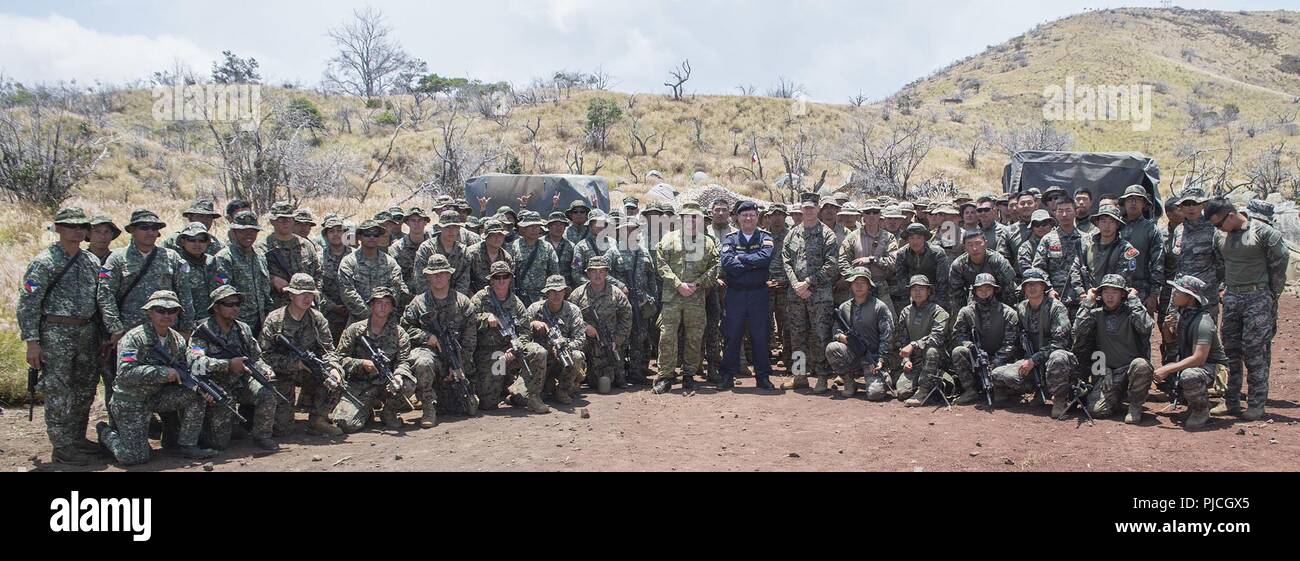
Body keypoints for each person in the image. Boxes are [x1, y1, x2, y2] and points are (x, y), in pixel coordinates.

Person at [19, 207, 125, 464]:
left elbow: (101, 300)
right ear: (58, 228)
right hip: (56, 334)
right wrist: (32, 342)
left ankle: (76, 438)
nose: (77, 231)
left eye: (81, 227)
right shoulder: (44, 262)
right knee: (58, 391)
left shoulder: (90, 262)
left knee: (84, 389)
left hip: (87, 333)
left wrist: (109, 332)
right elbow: (28, 303)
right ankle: (62, 446)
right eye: (70, 226)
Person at [96, 290, 217, 466]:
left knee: (196, 396)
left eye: (172, 310)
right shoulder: (134, 338)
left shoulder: (177, 340)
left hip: (157, 397)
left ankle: (187, 445)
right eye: (161, 310)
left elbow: (187, 366)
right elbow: (125, 374)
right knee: (134, 457)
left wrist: (202, 387)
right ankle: (105, 432)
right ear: (149, 312)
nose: (167, 315)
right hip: (131, 400)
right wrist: (163, 373)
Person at [1206, 197, 1289, 420]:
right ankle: (1230, 401)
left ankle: (1256, 403)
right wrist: (1223, 287)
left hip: (1257, 297)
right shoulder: (1219, 235)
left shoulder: (1262, 232)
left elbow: (1281, 260)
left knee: (1255, 352)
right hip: (1232, 297)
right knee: (1230, 352)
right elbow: (1219, 263)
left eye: (1218, 223)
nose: (1217, 228)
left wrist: (1273, 292)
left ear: (1231, 215)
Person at [188, 285, 281, 451]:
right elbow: (196, 363)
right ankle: (204, 431)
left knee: (267, 390)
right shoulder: (202, 331)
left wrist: (265, 369)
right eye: (229, 304)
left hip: (241, 382)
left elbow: (255, 357)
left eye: (237, 304)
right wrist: (228, 365)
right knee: (219, 444)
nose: (235, 308)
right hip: (217, 387)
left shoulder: (242, 329)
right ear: (216, 307)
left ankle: (262, 435)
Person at [258, 274, 346, 437]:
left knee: (336, 377)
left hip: (309, 370)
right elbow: (264, 356)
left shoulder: (317, 319)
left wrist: (333, 368)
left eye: (310, 294)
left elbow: (328, 350)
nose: (307, 298)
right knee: (282, 430)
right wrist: (294, 364)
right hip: (282, 374)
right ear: (291, 295)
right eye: (302, 294)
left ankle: (318, 420)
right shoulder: (275, 319)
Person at [402, 254, 478, 425]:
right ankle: (428, 408)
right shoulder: (419, 303)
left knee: (467, 408)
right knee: (422, 362)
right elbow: (404, 329)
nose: (438, 277)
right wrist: (426, 336)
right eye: (434, 274)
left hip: (455, 357)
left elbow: (469, 340)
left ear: (449, 275)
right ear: (427, 276)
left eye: (442, 273)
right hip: (430, 353)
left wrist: (459, 366)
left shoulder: (463, 302)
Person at [464, 261, 549, 413]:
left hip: (512, 350)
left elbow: (525, 331)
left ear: (510, 278)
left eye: (505, 277)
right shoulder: (479, 299)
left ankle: (533, 397)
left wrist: (515, 348)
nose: (502, 281)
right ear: (491, 279)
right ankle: (504, 387)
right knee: (488, 404)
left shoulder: (517, 303)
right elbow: (467, 322)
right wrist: (485, 318)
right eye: (497, 277)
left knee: (538, 352)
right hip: (490, 354)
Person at [652, 202, 719, 394]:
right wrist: (677, 284)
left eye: (695, 217)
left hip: (696, 298)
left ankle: (689, 375)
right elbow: (661, 263)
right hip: (672, 297)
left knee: (694, 337)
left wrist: (697, 283)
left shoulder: (707, 243)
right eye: (687, 217)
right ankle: (665, 376)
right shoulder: (669, 239)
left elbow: (715, 267)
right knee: (667, 337)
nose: (691, 221)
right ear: (681, 219)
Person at [1071, 275, 1155, 423]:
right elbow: (1078, 330)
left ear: (1123, 294)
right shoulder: (1096, 314)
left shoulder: (1132, 312)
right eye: (1105, 292)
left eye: (1115, 292)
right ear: (1100, 294)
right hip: (1106, 370)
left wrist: (1134, 299)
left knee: (1141, 365)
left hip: (1130, 369)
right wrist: (1088, 301)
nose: (1109, 296)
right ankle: (1116, 399)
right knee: (1096, 410)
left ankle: (1135, 406)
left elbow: (1146, 326)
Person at [332, 287, 416, 432]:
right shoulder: (355, 330)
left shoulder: (400, 334)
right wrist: (361, 363)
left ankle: (388, 412)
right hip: (359, 385)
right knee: (346, 425)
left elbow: (404, 361)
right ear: (371, 305)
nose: (383, 306)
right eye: (379, 302)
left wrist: (398, 376)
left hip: (385, 384)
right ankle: (366, 409)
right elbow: (340, 359)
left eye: (387, 303)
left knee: (408, 384)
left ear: (391, 308)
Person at [779, 192, 840, 393]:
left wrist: (808, 283)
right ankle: (800, 376)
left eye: (812, 207)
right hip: (796, 295)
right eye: (805, 208)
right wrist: (796, 284)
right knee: (797, 336)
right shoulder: (792, 234)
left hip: (819, 296)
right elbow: (786, 260)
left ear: (818, 209)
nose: (808, 211)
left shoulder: (827, 235)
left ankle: (822, 377)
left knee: (820, 336)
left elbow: (831, 265)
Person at [991, 268, 1073, 409]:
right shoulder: (1022, 308)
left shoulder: (1056, 308)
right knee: (998, 374)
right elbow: (1016, 338)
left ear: (1043, 286)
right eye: (1028, 285)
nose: (1032, 288)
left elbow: (1061, 343)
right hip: (1031, 360)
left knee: (1058, 357)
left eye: (1036, 284)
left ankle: (1060, 399)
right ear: (1023, 288)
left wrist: (1034, 360)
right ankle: (1035, 389)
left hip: (1053, 361)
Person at [104, 208, 196, 334]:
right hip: (129, 330)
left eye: (154, 228)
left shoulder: (171, 257)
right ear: (132, 230)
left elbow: (184, 294)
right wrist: (115, 329)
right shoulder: (117, 258)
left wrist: (187, 328)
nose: (150, 232)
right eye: (144, 227)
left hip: (167, 330)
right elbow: (106, 295)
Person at [1154, 276, 1228, 430]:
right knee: (1181, 372)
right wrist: (1166, 328)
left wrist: (1167, 369)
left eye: (1178, 292)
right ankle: (1192, 406)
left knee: (1189, 375)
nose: (1174, 294)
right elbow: (1171, 343)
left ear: (1189, 298)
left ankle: (1201, 410)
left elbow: (1199, 358)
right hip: (1194, 363)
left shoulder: (1203, 322)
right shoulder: (1183, 315)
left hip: (1211, 367)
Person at [719, 200, 776, 390]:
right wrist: (753, 263)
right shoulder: (731, 238)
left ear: (757, 217)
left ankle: (763, 376)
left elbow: (765, 258)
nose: (748, 218)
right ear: (738, 218)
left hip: (758, 294)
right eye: (744, 215)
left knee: (760, 336)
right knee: (732, 336)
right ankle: (727, 375)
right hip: (735, 294)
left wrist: (741, 258)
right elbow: (727, 263)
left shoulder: (765, 237)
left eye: (752, 215)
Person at [950, 273, 1020, 406]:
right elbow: (957, 335)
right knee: (958, 351)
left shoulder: (1008, 313)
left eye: (988, 289)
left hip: (1001, 360)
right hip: (976, 358)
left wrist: (995, 362)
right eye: (980, 289)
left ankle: (1001, 389)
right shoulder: (966, 312)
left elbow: (1011, 343)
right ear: (975, 291)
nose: (984, 293)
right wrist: (970, 346)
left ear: (994, 290)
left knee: (1001, 396)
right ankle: (970, 390)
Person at [825, 267, 893, 400]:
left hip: (872, 357)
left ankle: (883, 376)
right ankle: (849, 383)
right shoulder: (844, 307)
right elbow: (836, 330)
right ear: (850, 285)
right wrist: (842, 338)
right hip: (852, 354)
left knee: (875, 395)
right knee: (832, 348)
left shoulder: (879, 307)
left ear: (869, 286)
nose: (859, 285)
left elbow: (888, 336)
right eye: (855, 282)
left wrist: (881, 360)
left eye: (863, 282)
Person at [569, 256, 633, 392]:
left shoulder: (617, 294)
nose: (598, 275)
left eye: (601, 271)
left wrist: (617, 340)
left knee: (609, 381)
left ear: (607, 273)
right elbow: (568, 316)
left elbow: (626, 318)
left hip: (608, 344)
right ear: (588, 273)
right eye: (594, 271)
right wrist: (585, 326)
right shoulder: (578, 294)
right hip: (584, 343)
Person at [607, 216, 656, 385]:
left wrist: (653, 298)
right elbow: (601, 274)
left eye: (633, 229)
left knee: (639, 337)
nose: (629, 232)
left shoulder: (643, 251)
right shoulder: (613, 252)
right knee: (621, 337)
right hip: (621, 303)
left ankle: (636, 372)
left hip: (641, 302)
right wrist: (619, 284)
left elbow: (651, 276)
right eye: (626, 229)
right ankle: (619, 374)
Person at [526, 275, 587, 403]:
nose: (556, 295)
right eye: (553, 291)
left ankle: (563, 390)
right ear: (547, 292)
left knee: (577, 356)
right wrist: (533, 324)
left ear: (565, 292)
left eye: (560, 291)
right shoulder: (534, 309)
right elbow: (522, 333)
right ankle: (545, 386)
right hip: (540, 361)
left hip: (562, 359)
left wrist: (564, 346)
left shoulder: (573, 311)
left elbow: (580, 339)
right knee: (520, 399)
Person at [338, 220, 409, 324]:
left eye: (375, 235)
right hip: (357, 321)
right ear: (359, 237)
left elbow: (396, 289)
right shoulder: (349, 262)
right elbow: (347, 292)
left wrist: (382, 314)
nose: (371, 237)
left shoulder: (390, 262)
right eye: (367, 234)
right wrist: (369, 315)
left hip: (386, 320)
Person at [213, 211, 273, 334]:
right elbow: (222, 293)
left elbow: (265, 290)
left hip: (261, 322)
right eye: (243, 231)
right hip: (236, 323)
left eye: (252, 231)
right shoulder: (224, 258)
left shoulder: (260, 256)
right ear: (234, 232)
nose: (248, 235)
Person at [898, 275, 952, 407]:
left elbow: (936, 338)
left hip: (936, 359)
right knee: (902, 392)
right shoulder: (905, 312)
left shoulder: (939, 312)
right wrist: (906, 360)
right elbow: (902, 341)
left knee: (932, 351)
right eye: (914, 289)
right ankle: (929, 386)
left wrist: (914, 344)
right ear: (910, 292)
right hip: (915, 361)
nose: (917, 292)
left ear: (928, 291)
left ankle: (922, 392)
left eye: (921, 288)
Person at [257, 201, 322, 309]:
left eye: (289, 218)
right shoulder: (262, 248)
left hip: (306, 307)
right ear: (272, 221)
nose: (285, 222)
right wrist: (272, 280)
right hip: (276, 308)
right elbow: (254, 278)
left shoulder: (306, 245)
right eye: (280, 219)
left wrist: (314, 296)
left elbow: (317, 274)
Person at [839, 202, 897, 316]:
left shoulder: (888, 237)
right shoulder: (852, 237)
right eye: (867, 212)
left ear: (880, 215)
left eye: (875, 212)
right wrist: (854, 277)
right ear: (862, 215)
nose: (871, 216)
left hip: (880, 286)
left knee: (890, 321)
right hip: (857, 287)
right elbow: (842, 261)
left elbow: (893, 262)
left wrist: (872, 259)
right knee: (853, 321)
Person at [1033, 197, 1086, 316]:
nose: (1064, 214)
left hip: (1083, 299)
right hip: (1056, 299)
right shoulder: (1047, 239)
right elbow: (1038, 268)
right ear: (1054, 213)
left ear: (1076, 212)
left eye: (1068, 210)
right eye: (1060, 211)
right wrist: (1049, 289)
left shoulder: (1086, 239)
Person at [1118, 185, 1165, 314]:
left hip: (1142, 290)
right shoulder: (1115, 226)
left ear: (1144, 204)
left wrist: (1154, 295)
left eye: (1137, 199)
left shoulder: (1151, 229)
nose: (1133, 203)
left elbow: (1158, 263)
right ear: (1124, 203)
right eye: (1129, 199)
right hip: (1115, 289)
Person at [949, 229, 1017, 310]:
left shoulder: (997, 261)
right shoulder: (958, 265)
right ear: (964, 247)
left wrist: (1005, 312)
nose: (974, 248)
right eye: (970, 244)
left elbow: (1009, 288)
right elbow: (956, 295)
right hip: (974, 302)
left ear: (985, 244)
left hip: (999, 300)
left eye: (978, 243)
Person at [508, 210, 560, 306]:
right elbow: (509, 273)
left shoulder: (547, 247)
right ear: (524, 228)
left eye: (537, 226)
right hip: (519, 297)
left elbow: (554, 273)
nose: (534, 229)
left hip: (542, 297)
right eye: (530, 226)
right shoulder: (514, 246)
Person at [1080, 204, 1140, 289]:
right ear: (1097, 223)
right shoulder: (1087, 244)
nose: (1107, 226)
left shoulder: (1125, 248)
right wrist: (1082, 294)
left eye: (1111, 222)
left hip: (1114, 296)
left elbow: (1124, 277)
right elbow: (1076, 269)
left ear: (1117, 225)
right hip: (1089, 294)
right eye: (1103, 221)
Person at [413, 210, 471, 296]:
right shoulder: (426, 248)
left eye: (454, 227)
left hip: (455, 300)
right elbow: (420, 281)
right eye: (447, 227)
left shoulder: (463, 251)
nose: (451, 231)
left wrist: (453, 301)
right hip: (429, 299)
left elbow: (463, 283)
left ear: (459, 228)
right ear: (440, 228)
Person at [174, 222, 221, 325]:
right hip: (187, 323)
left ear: (208, 242)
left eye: (202, 240)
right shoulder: (178, 264)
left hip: (214, 322)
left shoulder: (213, 262)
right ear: (183, 241)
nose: (197, 244)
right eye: (192, 240)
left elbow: (223, 282)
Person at [318, 214, 351, 341]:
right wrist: (332, 306)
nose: (336, 234)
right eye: (331, 231)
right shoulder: (318, 258)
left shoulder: (356, 255)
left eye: (339, 230)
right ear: (326, 235)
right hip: (328, 314)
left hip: (354, 313)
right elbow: (316, 288)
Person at [465, 219, 513, 297]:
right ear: (486, 237)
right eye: (493, 235)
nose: (497, 238)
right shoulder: (471, 253)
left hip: (498, 299)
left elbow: (510, 284)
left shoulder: (506, 257)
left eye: (500, 235)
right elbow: (464, 281)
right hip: (474, 297)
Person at [389, 207, 431, 290]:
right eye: (413, 220)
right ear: (407, 222)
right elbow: (393, 277)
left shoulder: (434, 246)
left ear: (425, 222)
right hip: (405, 295)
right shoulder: (396, 248)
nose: (416, 224)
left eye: (420, 220)